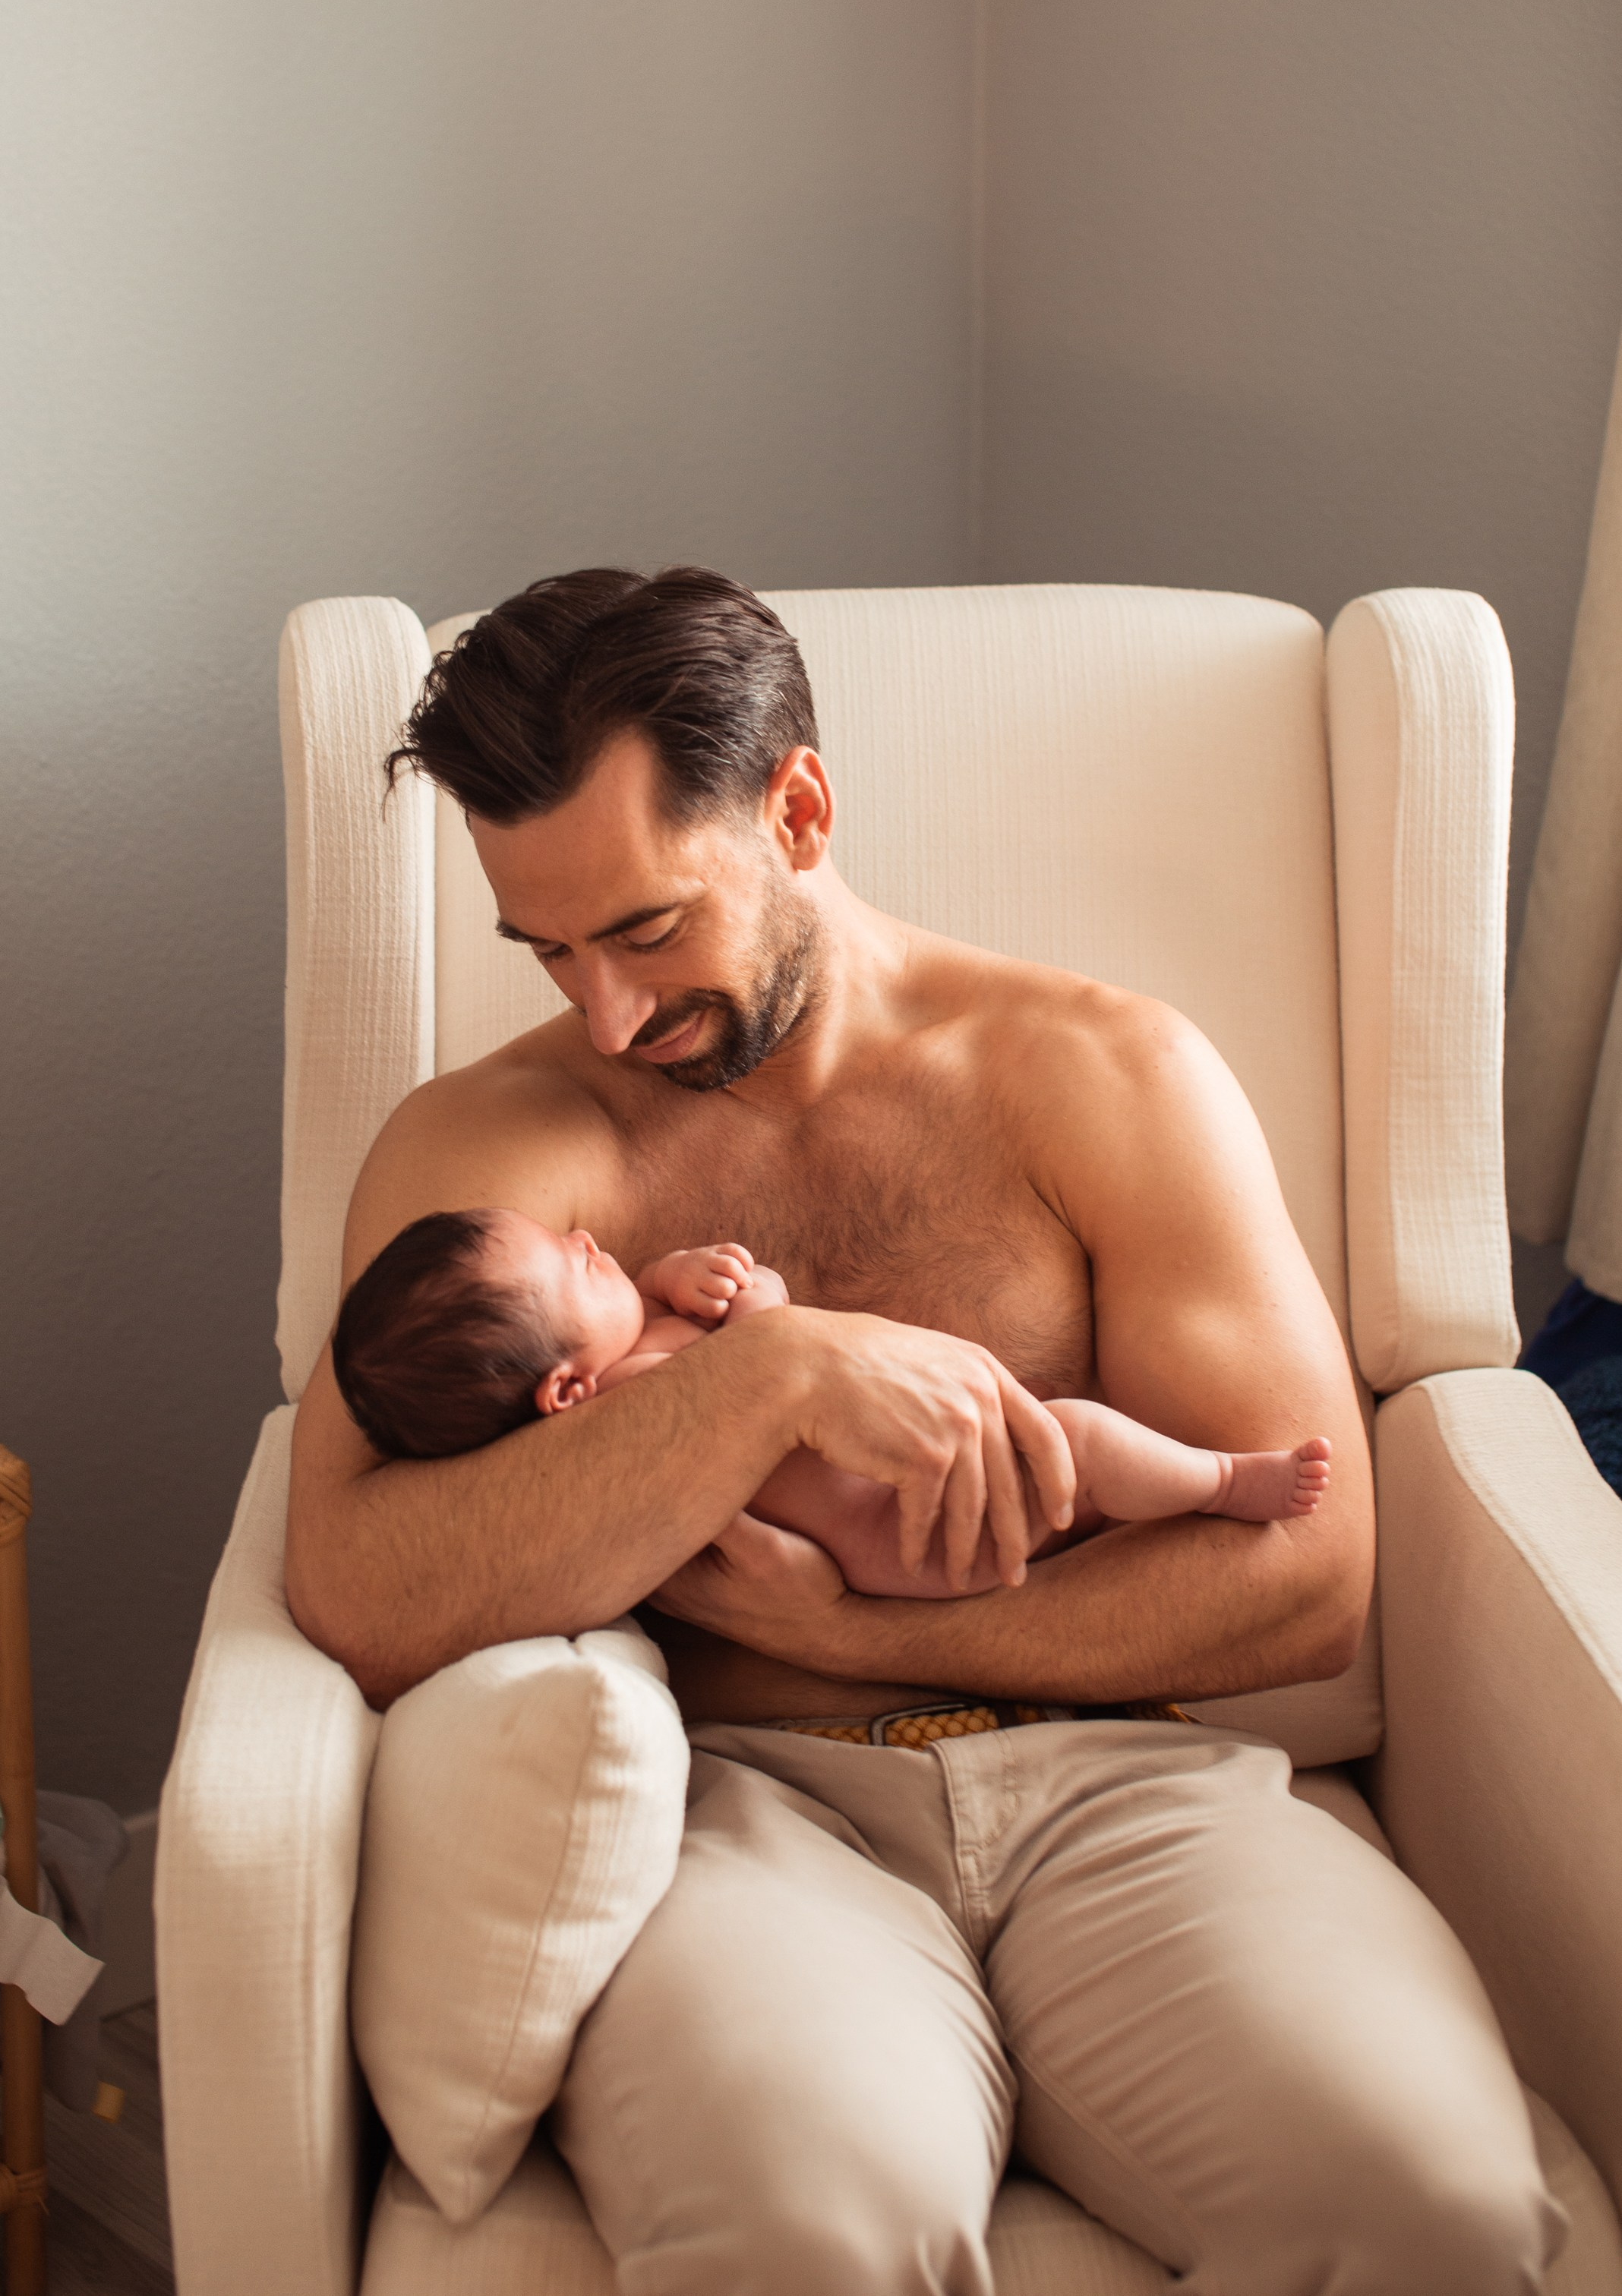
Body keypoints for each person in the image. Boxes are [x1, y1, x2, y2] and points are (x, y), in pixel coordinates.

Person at [284, 566, 1560, 2294]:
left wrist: (847, 1628)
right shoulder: (493, 1159)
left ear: (798, 810)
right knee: (813, 2232)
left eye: (646, 931)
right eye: (549, 950)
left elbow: (1310, 1576)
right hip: (739, 1815)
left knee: (1432, 2208)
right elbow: (359, 1585)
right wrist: (767, 1377)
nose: (604, 1016)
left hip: (1132, 1787)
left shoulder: (1101, 1076)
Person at [327, 1206, 1333, 1601]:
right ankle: (1222, 1482)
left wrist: (676, 1275)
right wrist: (759, 1310)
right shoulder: (629, 1401)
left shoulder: (629, 1344)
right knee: (1075, 1443)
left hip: (912, 1493)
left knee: (1074, 1459)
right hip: (900, 1534)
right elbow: (765, 1366)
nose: (588, 1243)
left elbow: (729, 1347)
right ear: (566, 1392)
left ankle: (1182, 1489)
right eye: (572, 1266)